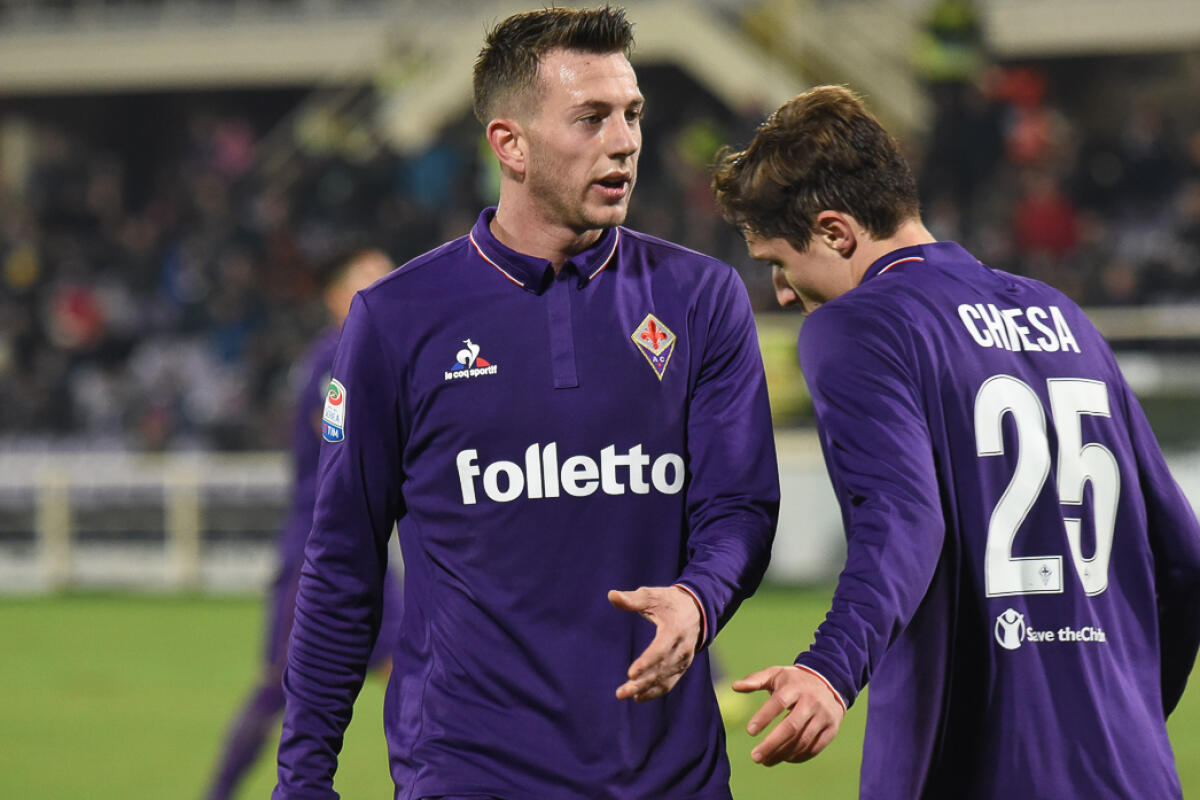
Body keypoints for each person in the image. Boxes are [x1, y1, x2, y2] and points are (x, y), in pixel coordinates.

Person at [273, 7, 778, 799]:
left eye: (632, 114)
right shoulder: (397, 318)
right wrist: (304, 780)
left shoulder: (699, 298)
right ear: (509, 143)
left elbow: (741, 506)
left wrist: (699, 598)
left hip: (667, 776)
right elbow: (342, 563)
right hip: (471, 772)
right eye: (591, 118)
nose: (625, 141)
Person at [711, 85, 1200, 798]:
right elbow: (1182, 557)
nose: (783, 292)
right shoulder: (1063, 317)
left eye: (778, 263)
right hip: (1132, 771)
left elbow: (905, 520)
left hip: (987, 772)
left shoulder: (859, 327)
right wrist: (1130, 718)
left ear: (837, 231)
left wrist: (829, 668)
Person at [203, 246, 402, 800]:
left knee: (417, 675)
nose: (385, 288)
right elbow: (357, 446)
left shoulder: (378, 355)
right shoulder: (333, 358)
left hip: (373, 556)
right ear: (336, 295)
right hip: (319, 555)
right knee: (284, 686)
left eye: (389, 278)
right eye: (370, 279)